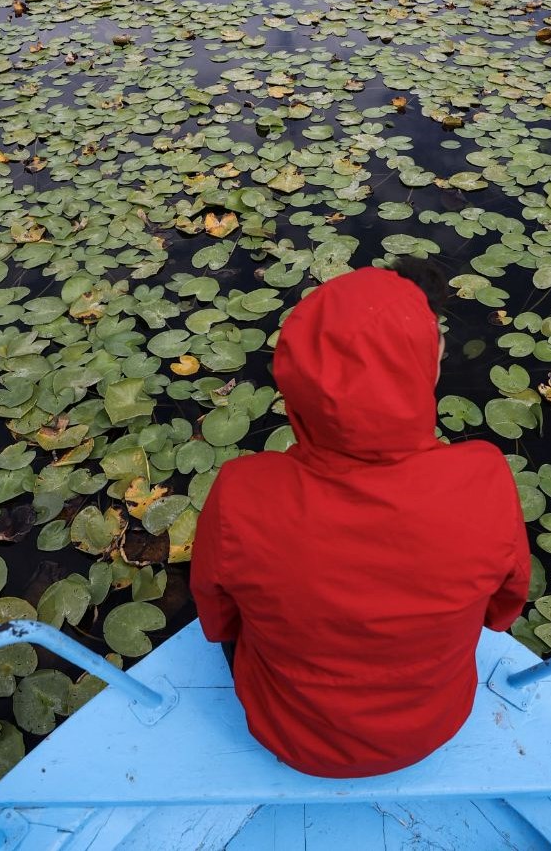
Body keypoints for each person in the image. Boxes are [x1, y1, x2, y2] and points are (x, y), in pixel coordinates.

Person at [190, 259, 532, 779]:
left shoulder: (240, 491)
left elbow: (219, 621)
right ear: (432, 363)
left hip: (288, 733)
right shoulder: (485, 478)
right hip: (431, 727)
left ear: (292, 378)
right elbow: (501, 611)